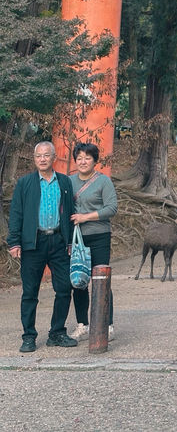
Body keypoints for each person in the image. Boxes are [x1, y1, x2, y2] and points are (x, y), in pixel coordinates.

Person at [7, 141, 78, 353]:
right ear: (34, 158)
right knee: (30, 292)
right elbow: (16, 213)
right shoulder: (25, 183)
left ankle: (57, 332)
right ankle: (28, 336)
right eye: (39, 156)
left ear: (53, 157)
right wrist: (14, 241)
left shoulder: (64, 182)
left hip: (58, 241)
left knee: (64, 288)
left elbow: (69, 212)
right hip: (33, 243)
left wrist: (70, 241)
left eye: (46, 155)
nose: (43, 159)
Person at [69, 142, 118, 341]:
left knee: (100, 280)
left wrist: (85, 217)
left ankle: (107, 324)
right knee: (78, 281)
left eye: (87, 158)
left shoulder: (103, 182)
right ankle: (83, 324)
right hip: (76, 239)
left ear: (94, 161)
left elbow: (111, 208)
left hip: (99, 236)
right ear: (75, 160)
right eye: (79, 158)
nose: (83, 161)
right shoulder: (69, 181)